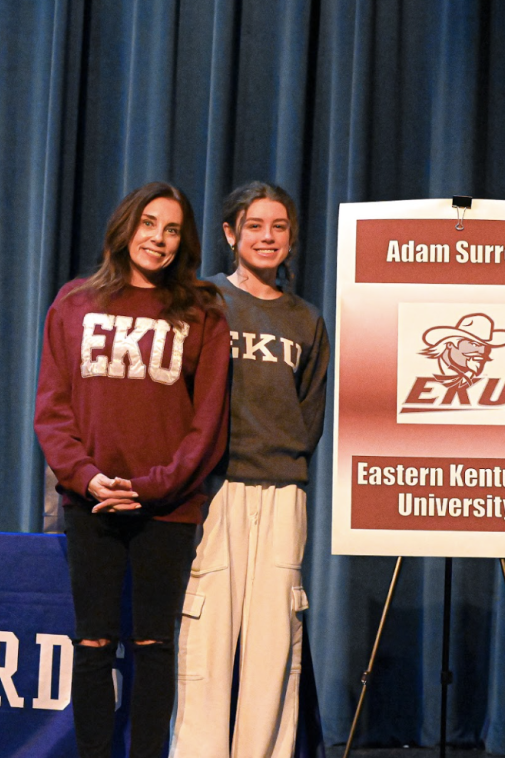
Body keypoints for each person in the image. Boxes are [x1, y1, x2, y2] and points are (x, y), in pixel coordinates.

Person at [34, 181, 230, 758]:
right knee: (93, 644)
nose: (159, 239)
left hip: (167, 509)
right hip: (89, 500)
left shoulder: (203, 311)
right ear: (126, 228)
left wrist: (151, 488)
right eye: (149, 224)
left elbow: (208, 423)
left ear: (183, 241)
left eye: (172, 229)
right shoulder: (73, 303)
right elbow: (52, 409)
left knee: (153, 646)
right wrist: (86, 477)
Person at [170, 181, 330, 758]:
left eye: (279, 227)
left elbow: (307, 413)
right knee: (206, 642)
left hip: (283, 494)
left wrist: (282, 464)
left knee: (272, 649)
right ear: (230, 234)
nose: (268, 237)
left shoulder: (306, 321)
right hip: (214, 492)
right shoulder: (201, 300)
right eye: (255, 226)